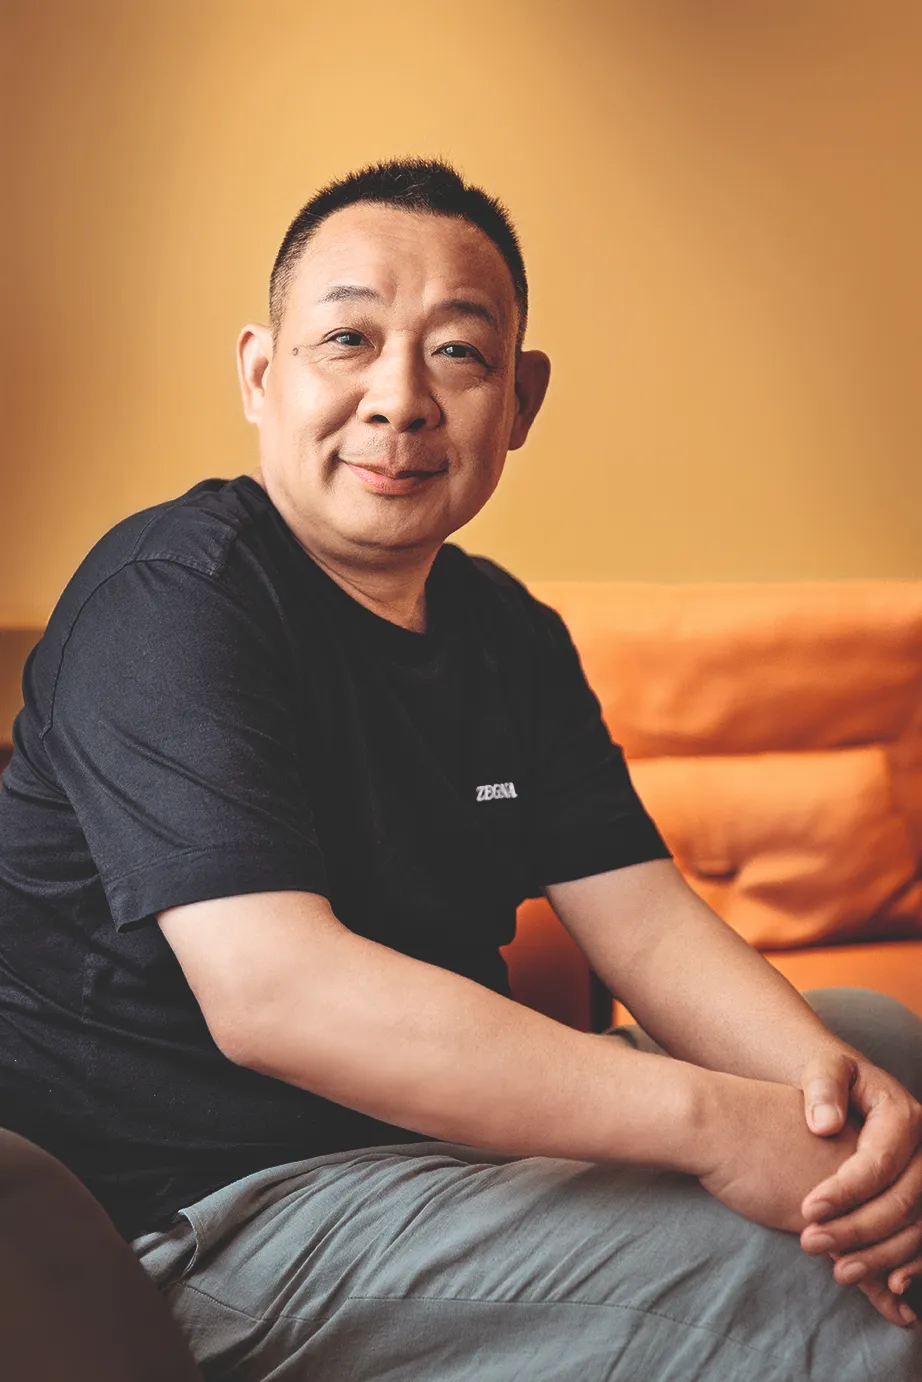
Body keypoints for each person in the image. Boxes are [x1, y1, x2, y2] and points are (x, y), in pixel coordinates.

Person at [0, 158, 920, 1382]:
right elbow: (275, 993)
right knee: (817, 1287)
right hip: (218, 1218)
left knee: (866, 1047)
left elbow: (645, 921)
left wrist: (823, 1106)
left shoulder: (507, 631)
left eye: (457, 353)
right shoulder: (171, 597)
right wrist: (713, 1124)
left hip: (441, 1152)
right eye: (348, 340)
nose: (400, 401)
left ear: (519, 398)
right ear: (261, 375)